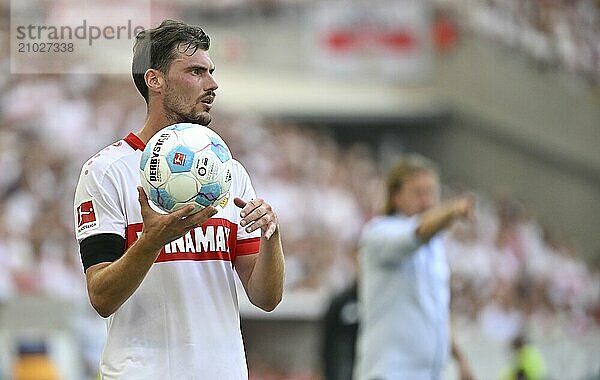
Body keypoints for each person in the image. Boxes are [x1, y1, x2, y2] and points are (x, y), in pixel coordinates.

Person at [73, 20, 285, 379]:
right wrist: (152, 241)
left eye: (211, 72)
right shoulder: (106, 171)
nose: (213, 84)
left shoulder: (229, 171)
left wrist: (272, 236)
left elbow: (266, 299)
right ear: (154, 80)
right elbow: (102, 298)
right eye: (196, 71)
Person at [353, 154, 474, 380]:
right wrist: (450, 212)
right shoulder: (379, 232)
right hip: (389, 372)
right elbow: (413, 235)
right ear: (396, 196)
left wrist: (460, 358)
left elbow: (437, 311)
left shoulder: (434, 246)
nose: (427, 201)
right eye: (418, 192)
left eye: (431, 192)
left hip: (430, 373)